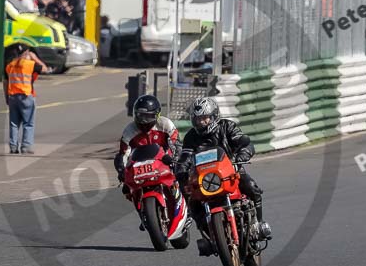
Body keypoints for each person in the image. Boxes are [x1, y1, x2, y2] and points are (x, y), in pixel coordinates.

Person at [175, 96, 272, 255]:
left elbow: (244, 142)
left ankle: (258, 225)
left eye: (205, 118)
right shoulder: (191, 137)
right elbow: (185, 157)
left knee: (251, 186)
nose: (201, 122)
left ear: (214, 116)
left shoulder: (227, 126)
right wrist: (181, 171)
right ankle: (208, 237)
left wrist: (243, 154)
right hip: (205, 179)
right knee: (193, 203)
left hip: (231, 173)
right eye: (198, 119)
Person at [114, 95, 183, 219]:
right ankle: (144, 212)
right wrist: (121, 170)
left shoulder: (165, 124)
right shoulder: (129, 131)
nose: (144, 121)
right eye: (140, 116)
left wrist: (175, 159)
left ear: (156, 115)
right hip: (141, 166)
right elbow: (123, 154)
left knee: (183, 177)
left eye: (148, 117)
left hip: (164, 162)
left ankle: (185, 208)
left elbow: (176, 143)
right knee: (126, 190)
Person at [3, 43, 51, 155]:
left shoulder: (10, 65)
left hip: (13, 97)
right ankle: (26, 146)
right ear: (26, 53)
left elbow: (5, 82)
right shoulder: (30, 64)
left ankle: (13, 147)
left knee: (14, 124)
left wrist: (7, 97)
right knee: (28, 123)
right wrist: (35, 58)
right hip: (26, 96)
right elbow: (45, 69)